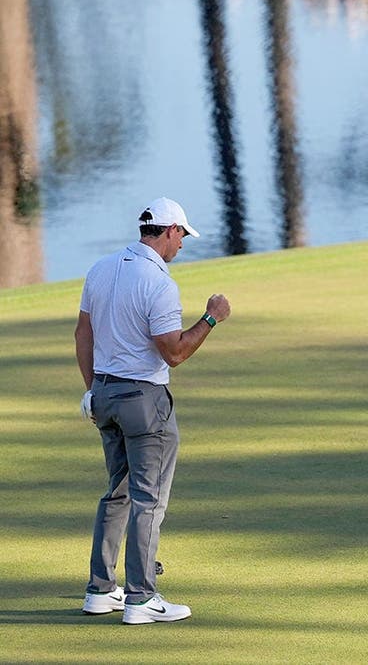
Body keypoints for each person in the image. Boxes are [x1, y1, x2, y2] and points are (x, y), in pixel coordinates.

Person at [74, 197, 231, 624]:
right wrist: (211, 318)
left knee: (117, 493)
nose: (182, 246)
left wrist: (93, 389)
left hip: (104, 395)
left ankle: (101, 591)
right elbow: (175, 352)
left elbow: (83, 333)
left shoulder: (102, 268)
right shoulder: (159, 283)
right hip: (144, 403)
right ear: (170, 231)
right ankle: (141, 598)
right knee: (149, 500)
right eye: (182, 236)